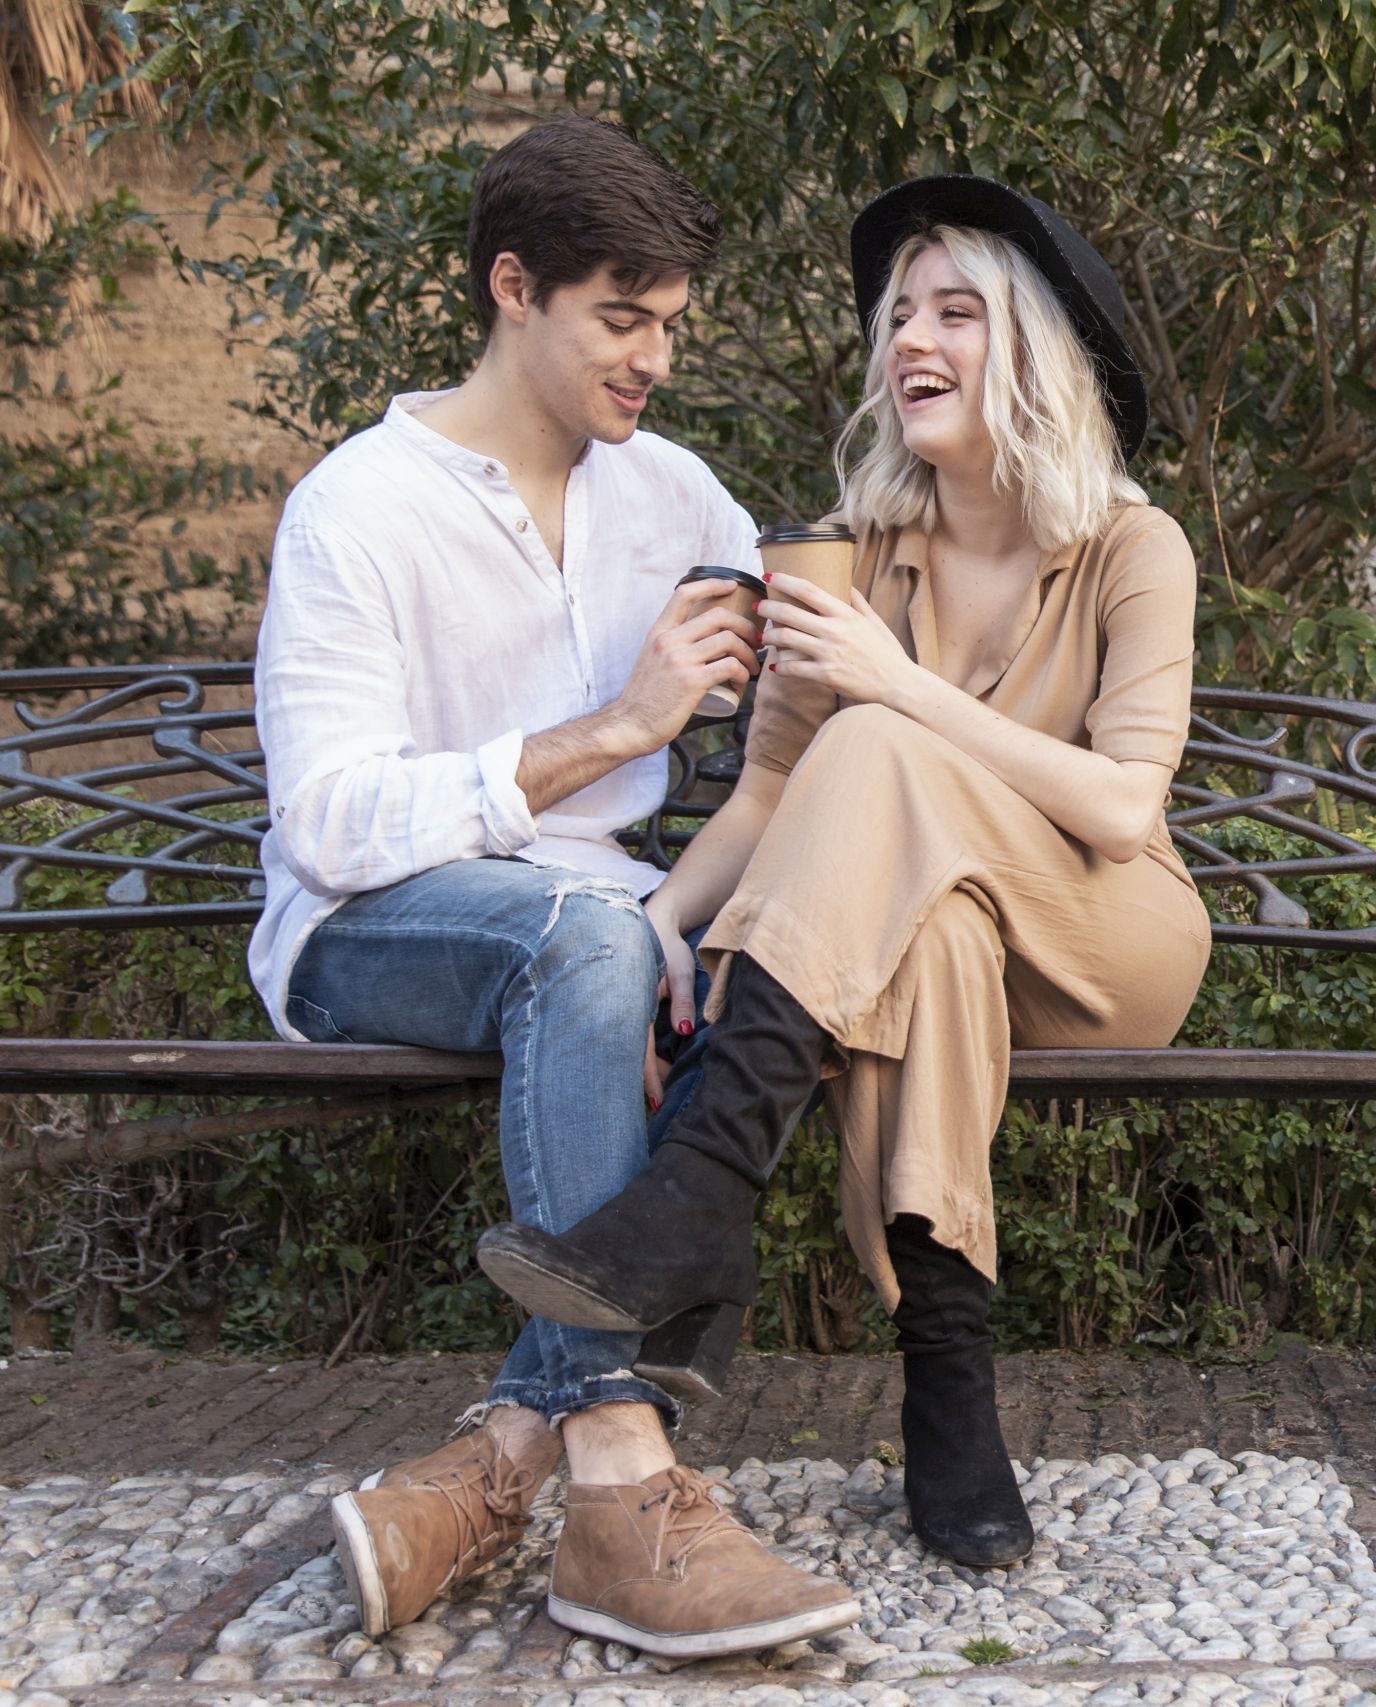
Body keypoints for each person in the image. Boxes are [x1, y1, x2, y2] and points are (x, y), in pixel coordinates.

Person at [476, 176, 1212, 1569]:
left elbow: (1123, 810)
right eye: (899, 316)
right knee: (923, 939)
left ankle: (703, 1187)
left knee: (874, 745)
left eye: (956, 312)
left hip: (1107, 941)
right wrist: (655, 923)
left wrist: (895, 686)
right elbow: (768, 793)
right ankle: (949, 1384)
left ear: (1036, 349)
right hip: (928, 938)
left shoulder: (1135, 546)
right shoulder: (858, 553)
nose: (910, 339)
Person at [254, 117, 859, 1656]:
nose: (655, 359)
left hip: (606, 937)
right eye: (622, 319)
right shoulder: (358, 508)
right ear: (513, 288)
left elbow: (803, 711)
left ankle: (499, 1469)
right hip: (371, 927)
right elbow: (327, 823)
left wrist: (680, 915)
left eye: (671, 325)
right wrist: (619, 730)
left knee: (750, 991)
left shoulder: (678, 500)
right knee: (584, 940)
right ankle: (625, 1487)